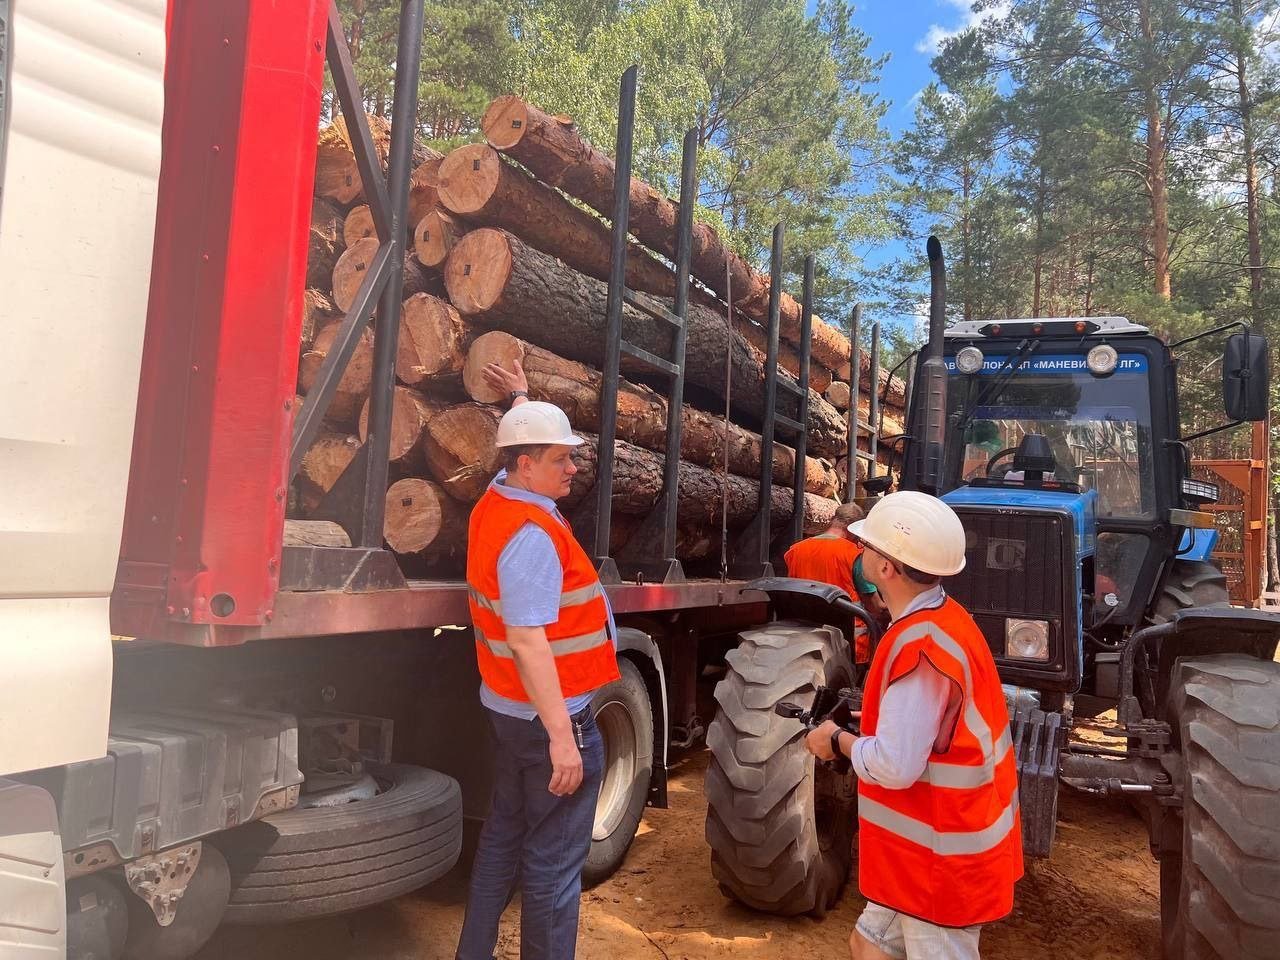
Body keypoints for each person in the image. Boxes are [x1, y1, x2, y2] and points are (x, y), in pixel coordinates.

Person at [804, 491, 1022, 960]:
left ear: (886, 568)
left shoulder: (920, 646)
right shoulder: (943, 618)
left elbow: (896, 766)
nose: (859, 553)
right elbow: (931, 730)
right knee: (868, 945)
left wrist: (837, 741)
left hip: (938, 860)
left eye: (866, 547)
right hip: (921, 849)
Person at [455, 358, 620, 960]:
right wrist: (562, 740)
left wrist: (521, 400)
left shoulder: (495, 503)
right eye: (560, 459)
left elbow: (519, 449)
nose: (573, 468)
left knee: (503, 838)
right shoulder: (530, 536)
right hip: (548, 718)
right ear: (525, 465)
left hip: (508, 710)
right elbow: (528, 642)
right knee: (553, 870)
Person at [782, 501, 882, 661]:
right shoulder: (854, 554)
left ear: (833, 520)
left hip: (804, 635)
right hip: (847, 643)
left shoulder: (796, 550)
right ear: (852, 528)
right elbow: (874, 606)